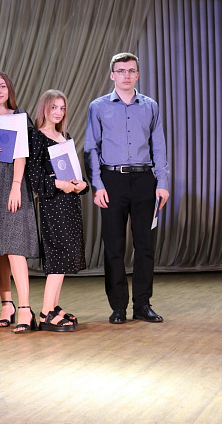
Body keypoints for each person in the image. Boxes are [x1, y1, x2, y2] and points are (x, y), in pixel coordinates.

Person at [85, 52, 169, 324]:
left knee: (145, 246)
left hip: (145, 181)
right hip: (112, 181)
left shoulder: (150, 106)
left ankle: (142, 305)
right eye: (121, 71)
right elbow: (91, 148)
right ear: (112, 75)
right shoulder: (98, 107)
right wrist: (97, 185)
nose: (126, 75)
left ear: (138, 75)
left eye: (131, 71)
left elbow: (159, 146)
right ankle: (118, 306)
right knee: (114, 247)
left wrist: (163, 182)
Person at [0, 71, 40, 333]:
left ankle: (25, 308)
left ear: (9, 89)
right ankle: (7, 305)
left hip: (13, 183)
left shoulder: (19, 116)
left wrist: (16, 185)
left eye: (2, 86)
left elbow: (22, 155)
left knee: (15, 245)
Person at [26, 90, 88, 332]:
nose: (58, 112)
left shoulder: (65, 136)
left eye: (62, 108)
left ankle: (53, 306)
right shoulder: (37, 137)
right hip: (53, 203)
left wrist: (81, 185)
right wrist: (60, 184)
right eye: (54, 107)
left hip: (70, 203)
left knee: (65, 255)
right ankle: (45, 313)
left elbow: (73, 172)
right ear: (44, 108)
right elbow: (35, 178)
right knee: (57, 256)